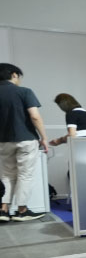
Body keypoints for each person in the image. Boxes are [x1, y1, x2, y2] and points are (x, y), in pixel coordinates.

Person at [0, 63, 49, 222]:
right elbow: (35, 116)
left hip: (3, 142)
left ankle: (3, 210)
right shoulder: (24, 92)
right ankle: (22, 211)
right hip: (26, 139)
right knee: (25, 175)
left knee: (6, 175)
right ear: (14, 74)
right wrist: (44, 138)